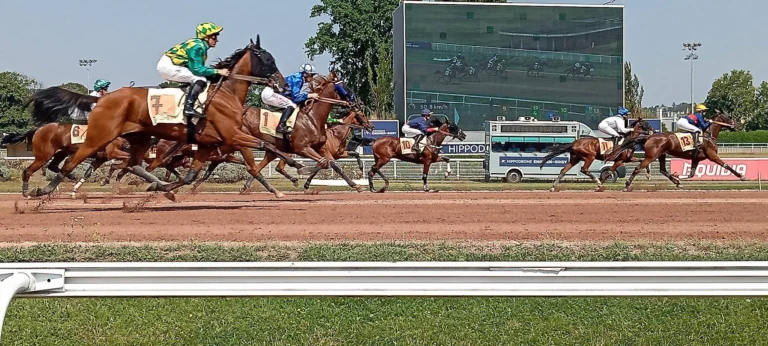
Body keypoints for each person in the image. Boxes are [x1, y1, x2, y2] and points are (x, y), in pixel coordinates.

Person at [157, 22, 231, 120]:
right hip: (168, 66)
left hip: (171, 65)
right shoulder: (198, 47)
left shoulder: (199, 45)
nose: (217, 40)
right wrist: (218, 71)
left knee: (200, 78)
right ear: (206, 37)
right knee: (200, 79)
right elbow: (197, 70)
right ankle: (188, 107)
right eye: (214, 37)